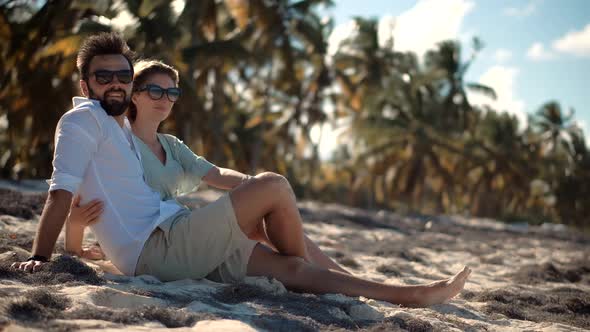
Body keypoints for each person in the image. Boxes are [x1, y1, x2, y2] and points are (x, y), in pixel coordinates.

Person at [12, 32, 471, 307]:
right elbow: (61, 192)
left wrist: (81, 248)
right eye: (103, 77)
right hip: (162, 248)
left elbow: (93, 202)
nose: (115, 84)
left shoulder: (117, 130)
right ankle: (357, 275)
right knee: (273, 185)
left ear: (129, 81)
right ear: (85, 83)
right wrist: (44, 257)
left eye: (121, 76)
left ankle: (408, 294)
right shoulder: (82, 120)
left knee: (291, 271)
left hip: (178, 237)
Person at [65, 59, 349, 276]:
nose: (165, 98)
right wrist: (75, 244)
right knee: (270, 222)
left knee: (267, 215)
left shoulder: (171, 145)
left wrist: (254, 184)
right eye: (155, 90)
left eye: (171, 92)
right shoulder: (120, 142)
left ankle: (336, 275)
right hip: (155, 243)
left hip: (181, 228)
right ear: (134, 95)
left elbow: (216, 175)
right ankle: (322, 275)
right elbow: (84, 195)